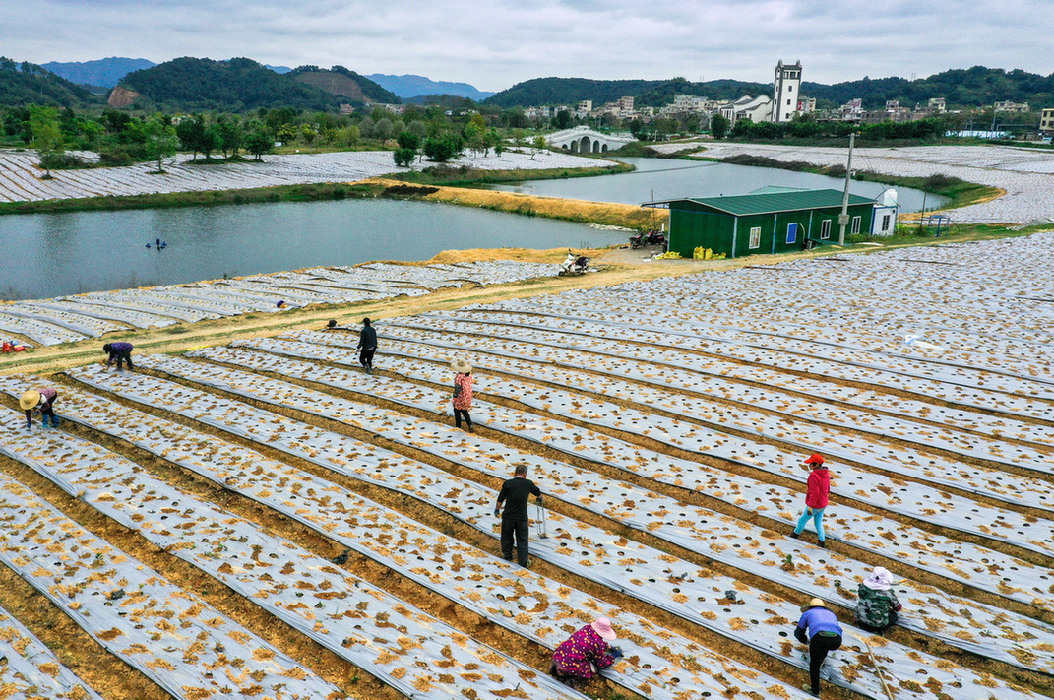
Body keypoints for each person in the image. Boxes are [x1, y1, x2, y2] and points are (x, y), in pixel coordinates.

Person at [549, 617, 622, 689]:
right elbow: (602, 663)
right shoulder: (598, 644)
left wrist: (607, 646)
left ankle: (554, 671)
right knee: (593, 669)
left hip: (558, 657)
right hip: (570, 666)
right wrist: (613, 656)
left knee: (569, 657)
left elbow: (589, 643)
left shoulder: (586, 629)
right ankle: (572, 682)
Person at [494, 463, 541, 567]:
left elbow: (500, 499)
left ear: (515, 473)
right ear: (525, 475)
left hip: (508, 516)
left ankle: (507, 556)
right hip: (521, 517)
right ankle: (523, 562)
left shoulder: (508, 483)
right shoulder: (528, 483)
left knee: (507, 537)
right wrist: (539, 497)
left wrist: (497, 510)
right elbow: (537, 492)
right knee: (522, 539)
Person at [794, 598, 842, 698]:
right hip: (836, 640)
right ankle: (821, 660)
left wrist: (805, 640)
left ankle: (815, 691)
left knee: (814, 665)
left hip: (819, 637)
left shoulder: (808, 613)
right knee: (824, 645)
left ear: (810, 607)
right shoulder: (831, 614)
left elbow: (798, 632)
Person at [790, 453, 831, 547]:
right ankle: (822, 541)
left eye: (811, 464)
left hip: (815, 505)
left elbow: (814, 493)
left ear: (816, 465)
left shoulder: (813, 477)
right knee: (818, 522)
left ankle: (794, 535)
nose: (809, 465)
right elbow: (828, 489)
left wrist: (811, 506)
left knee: (802, 520)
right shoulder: (826, 474)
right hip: (823, 504)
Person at [854, 566, 902, 632]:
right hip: (878, 624)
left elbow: (861, 597)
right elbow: (897, 607)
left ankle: (859, 622)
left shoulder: (863, 587)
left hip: (861, 617)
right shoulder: (888, 593)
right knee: (894, 616)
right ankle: (880, 630)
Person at [451, 358, 473, 430]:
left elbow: (458, 389)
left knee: (457, 411)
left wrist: (454, 398)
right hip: (467, 396)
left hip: (460, 397)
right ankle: (470, 424)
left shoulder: (459, 377)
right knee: (464, 410)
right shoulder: (469, 375)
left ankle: (458, 427)